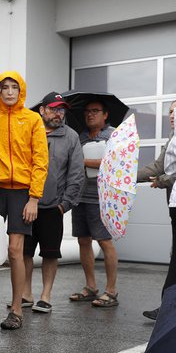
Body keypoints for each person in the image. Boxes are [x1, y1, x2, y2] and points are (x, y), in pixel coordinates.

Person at [0, 72, 49, 330]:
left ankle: (17, 309)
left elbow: (41, 160)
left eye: (14, 87)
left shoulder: (32, 120)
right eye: (4, 88)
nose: (9, 92)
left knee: (14, 251)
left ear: (21, 90)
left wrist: (34, 198)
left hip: (22, 192)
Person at [22, 92, 84, 313]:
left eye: (62, 110)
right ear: (42, 110)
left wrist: (64, 204)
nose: (59, 114)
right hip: (26, 203)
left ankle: (45, 296)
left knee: (50, 253)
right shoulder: (29, 130)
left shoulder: (71, 137)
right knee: (24, 252)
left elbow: (76, 174)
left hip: (52, 207)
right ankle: (25, 294)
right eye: (54, 109)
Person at [68, 100, 119, 307]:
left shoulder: (113, 135)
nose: (90, 115)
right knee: (83, 240)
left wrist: (82, 162)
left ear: (105, 114)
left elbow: (114, 162)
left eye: (95, 111)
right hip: (80, 196)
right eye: (87, 111)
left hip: (102, 198)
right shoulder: (79, 137)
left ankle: (111, 291)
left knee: (105, 241)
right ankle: (90, 287)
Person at [138, 97, 176, 320]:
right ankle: (170, 306)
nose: (173, 115)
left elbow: (171, 173)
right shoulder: (172, 138)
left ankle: (168, 307)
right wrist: (127, 177)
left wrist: (163, 180)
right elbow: (158, 166)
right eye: (170, 112)